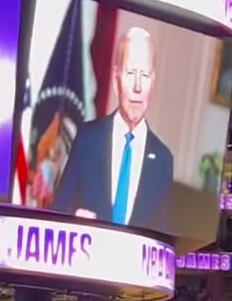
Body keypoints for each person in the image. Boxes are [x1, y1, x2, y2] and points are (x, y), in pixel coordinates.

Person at [53, 26, 173, 229]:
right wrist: (73, 221)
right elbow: (58, 212)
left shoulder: (163, 160)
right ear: (116, 78)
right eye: (130, 73)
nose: (137, 86)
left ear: (153, 83)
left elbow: (161, 242)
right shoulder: (87, 139)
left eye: (144, 75)